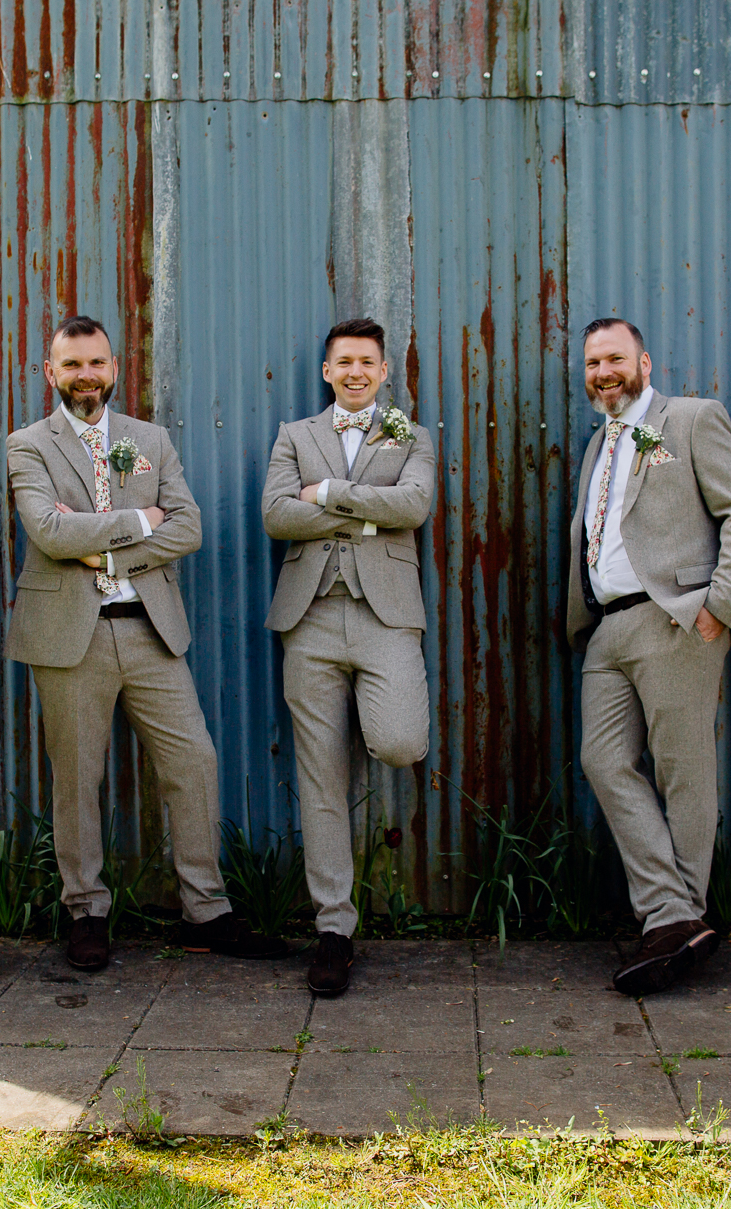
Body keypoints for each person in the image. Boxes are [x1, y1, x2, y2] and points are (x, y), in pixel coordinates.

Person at [6, 315, 285, 972]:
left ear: (114, 368)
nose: (85, 376)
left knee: (195, 762)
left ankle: (206, 912)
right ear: (51, 373)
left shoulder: (149, 439)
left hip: (152, 632)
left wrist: (106, 556)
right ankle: (87, 912)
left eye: (96, 363)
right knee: (77, 778)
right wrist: (139, 520)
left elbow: (187, 527)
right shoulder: (28, 445)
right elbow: (49, 532)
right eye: (71, 365)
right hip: (69, 639)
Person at [567, 318, 731, 997]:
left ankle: (676, 920)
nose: (603, 372)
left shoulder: (691, 418)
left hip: (676, 617)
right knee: (603, 760)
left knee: (683, 768)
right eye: (593, 363)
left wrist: (721, 604)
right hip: (608, 627)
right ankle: (676, 914)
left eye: (615, 359)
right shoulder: (599, 441)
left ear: (644, 362)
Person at [261, 318, 437, 997]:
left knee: (398, 740)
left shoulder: (411, 436)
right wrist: (371, 514)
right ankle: (334, 929)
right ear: (327, 370)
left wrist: (329, 496)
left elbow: (415, 505)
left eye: (368, 362)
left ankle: (367, 727)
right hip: (308, 619)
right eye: (344, 362)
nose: (357, 372)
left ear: (385, 371)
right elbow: (277, 514)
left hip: (386, 618)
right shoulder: (295, 436)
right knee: (321, 781)